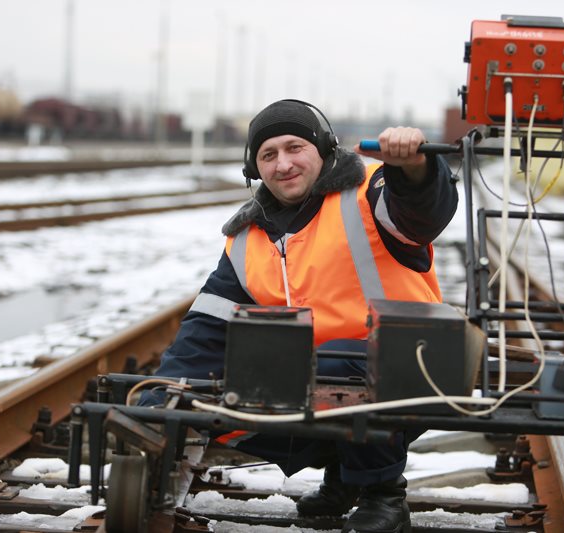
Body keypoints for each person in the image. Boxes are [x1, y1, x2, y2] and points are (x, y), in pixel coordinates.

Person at [142, 99, 458, 532]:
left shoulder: (370, 190)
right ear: (255, 169)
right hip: (320, 383)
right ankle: (346, 473)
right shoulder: (245, 239)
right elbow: (206, 331)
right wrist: (161, 398)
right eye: (268, 155)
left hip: (415, 366)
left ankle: (383, 494)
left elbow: (421, 213)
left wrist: (415, 168)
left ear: (325, 148)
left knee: (337, 371)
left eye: (295, 148)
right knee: (225, 389)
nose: (283, 164)